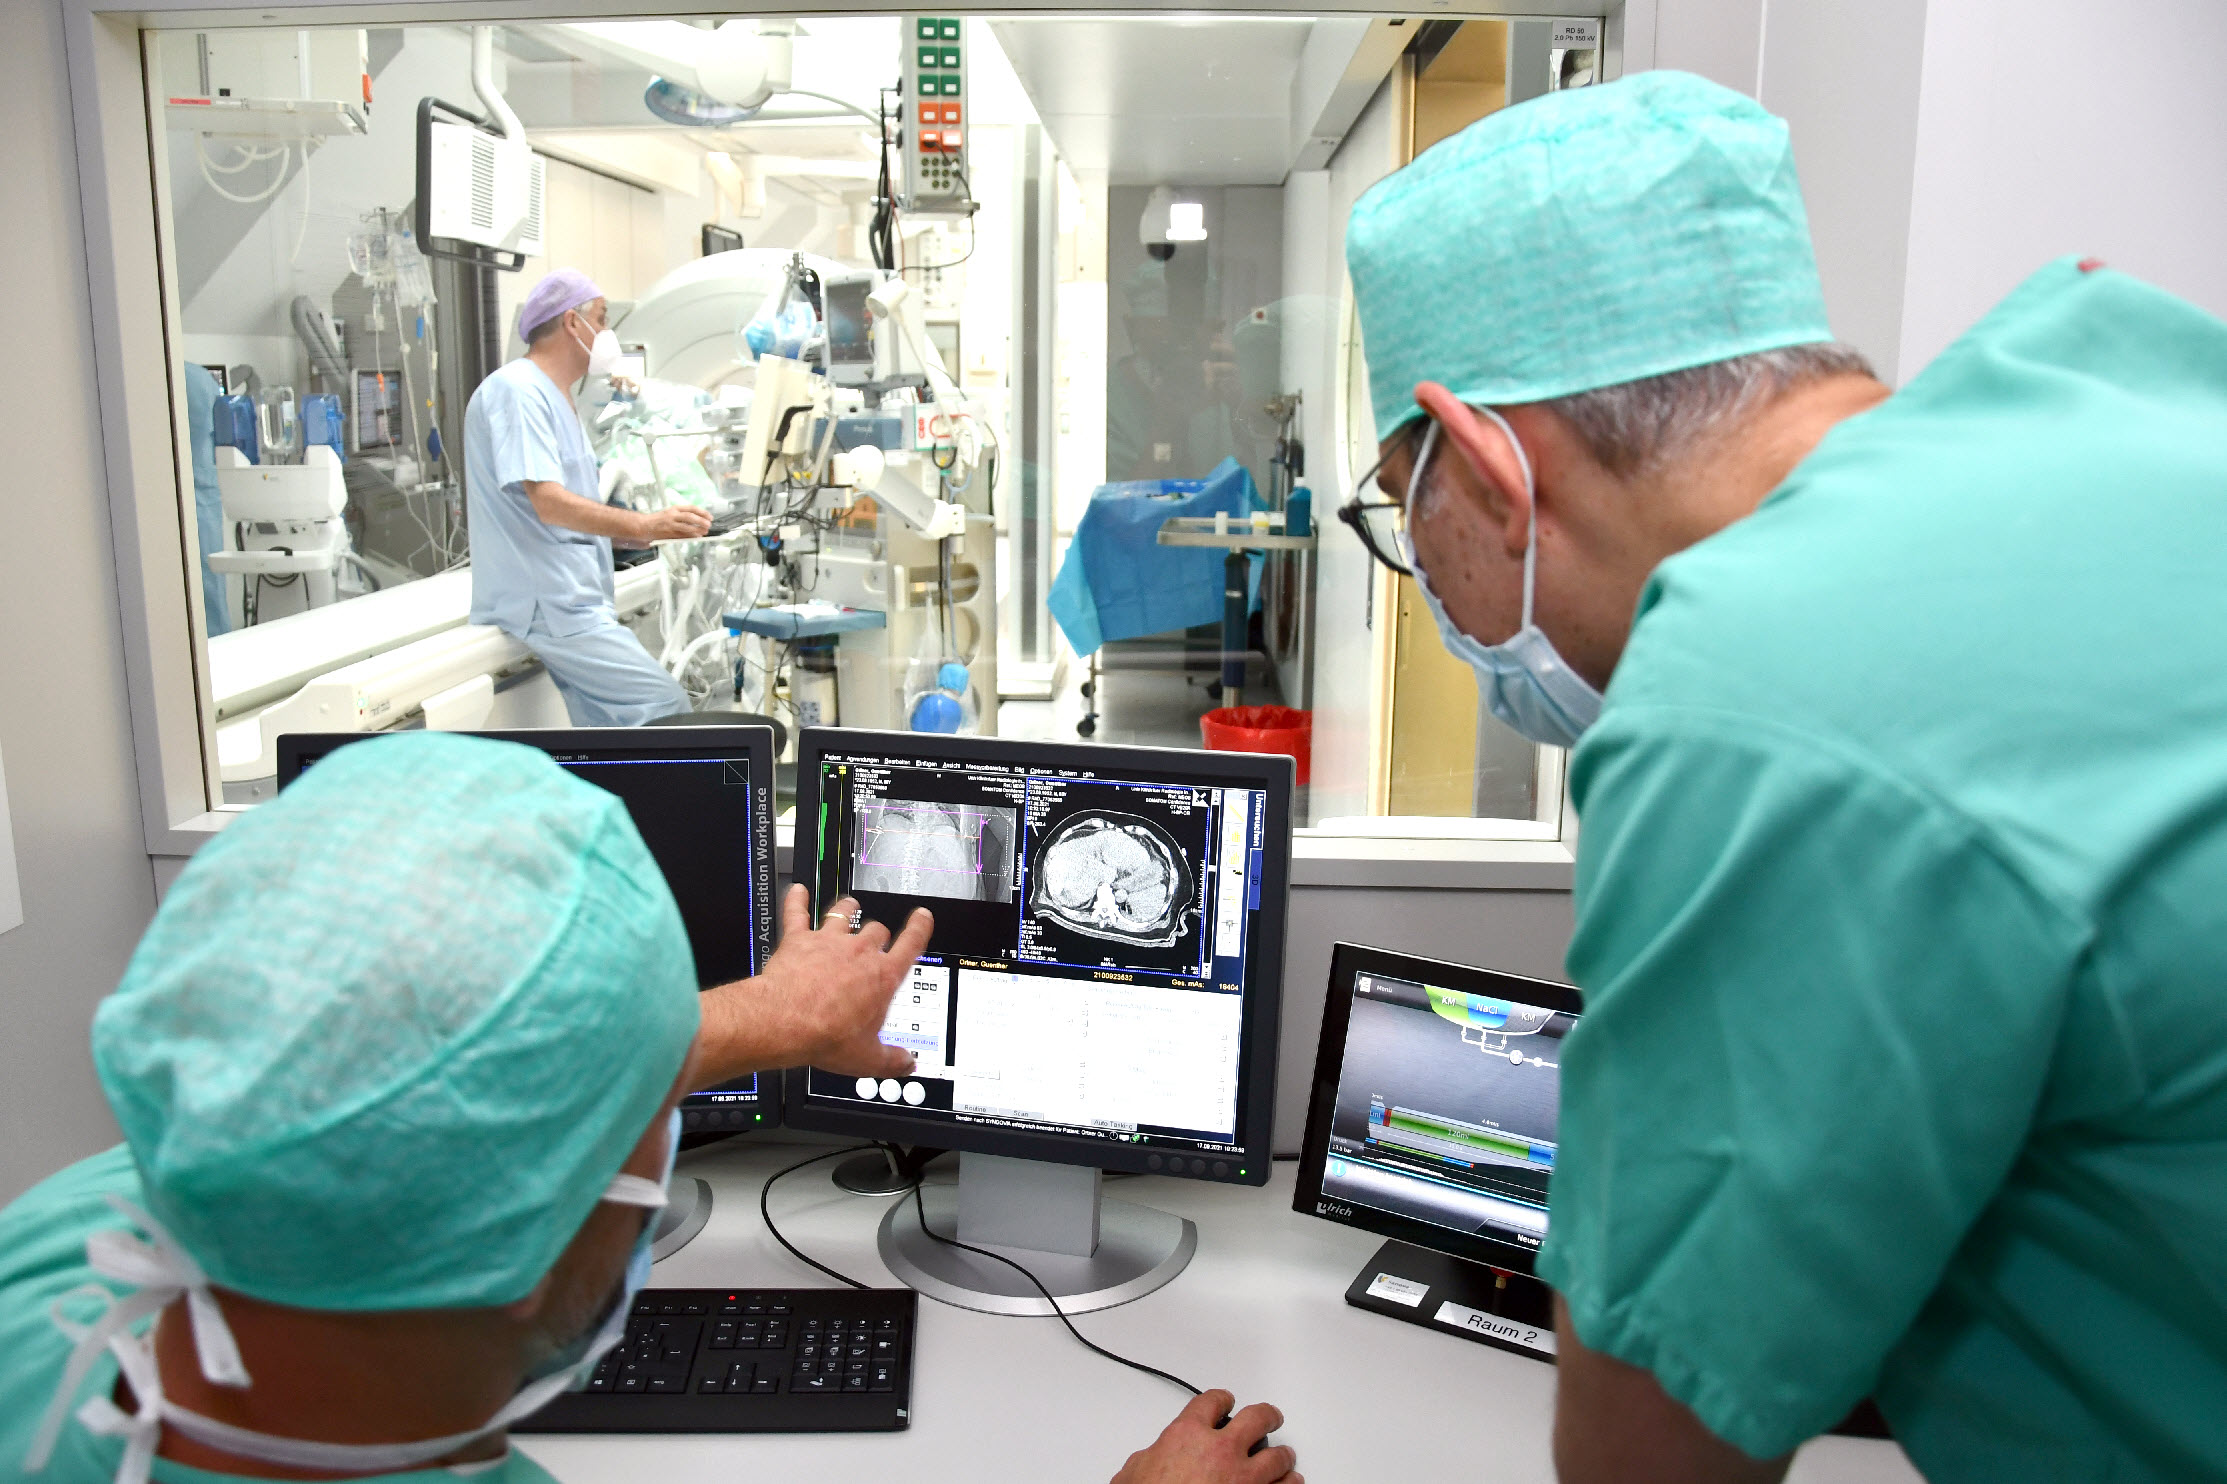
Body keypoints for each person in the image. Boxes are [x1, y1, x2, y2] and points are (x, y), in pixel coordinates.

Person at [1342, 68, 2227, 1481]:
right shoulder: (2112, 388)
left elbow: (1648, 1462)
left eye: (1404, 512)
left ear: (1491, 469)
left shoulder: (1754, 692)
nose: (1430, 584)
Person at [0, 732, 1296, 1484]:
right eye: (641, 1129)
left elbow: (421, 1077)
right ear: (527, 1237)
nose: (660, 1131)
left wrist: (767, 1014)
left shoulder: (80, 1245)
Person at [463, 269, 710, 727]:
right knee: (663, 705)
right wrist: (643, 524)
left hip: (571, 596)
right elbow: (549, 503)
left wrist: (634, 537)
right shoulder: (518, 391)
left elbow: (565, 507)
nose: (607, 332)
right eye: (602, 318)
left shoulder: (557, 395)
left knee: (604, 735)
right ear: (571, 322)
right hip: (549, 602)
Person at [182, 364, 231, 638]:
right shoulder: (199, 380)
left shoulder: (160, 377)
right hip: (202, 495)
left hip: (190, 490)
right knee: (209, 598)